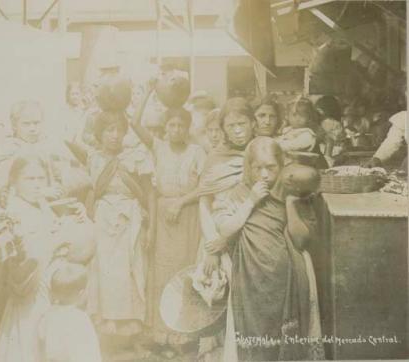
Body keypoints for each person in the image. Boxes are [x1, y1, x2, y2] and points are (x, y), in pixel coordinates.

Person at [227, 137, 324, 361]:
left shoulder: (296, 194)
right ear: (248, 168)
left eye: (271, 167)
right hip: (250, 277)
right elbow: (227, 230)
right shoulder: (240, 193)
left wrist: (290, 202)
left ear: (281, 167)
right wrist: (251, 200)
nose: (264, 175)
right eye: (257, 168)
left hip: (287, 277)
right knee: (255, 330)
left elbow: (300, 241)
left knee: (283, 332)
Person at [131, 79, 206, 358]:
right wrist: (150, 90)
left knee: (182, 275)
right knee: (160, 274)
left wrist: (182, 202)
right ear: (165, 128)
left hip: (187, 217)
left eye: (181, 126)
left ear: (188, 128)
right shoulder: (159, 147)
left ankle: (181, 335)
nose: (176, 130)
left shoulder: (197, 152)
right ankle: (160, 335)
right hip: (163, 219)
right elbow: (135, 123)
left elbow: (204, 187)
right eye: (171, 125)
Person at [0, 154, 93, 362]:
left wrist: (77, 217)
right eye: (30, 179)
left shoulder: (41, 205)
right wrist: (56, 242)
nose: (37, 185)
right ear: (14, 181)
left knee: (54, 339)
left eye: (41, 179)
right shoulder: (14, 212)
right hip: (32, 288)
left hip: (50, 285)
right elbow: (25, 257)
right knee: (32, 339)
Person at [84, 111, 154, 359]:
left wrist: (151, 225)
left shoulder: (135, 157)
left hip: (131, 218)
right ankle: (109, 335)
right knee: (106, 275)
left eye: (119, 130)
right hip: (103, 220)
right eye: (108, 130)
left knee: (132, 273)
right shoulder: (93, 159)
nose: (114, 135)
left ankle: (133, 334)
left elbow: (147, 192)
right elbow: (91, 192)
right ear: (99, 133)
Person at [194, 97, 255, 361]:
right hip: (216, 239)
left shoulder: (260, 153)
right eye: (231, 126)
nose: (238, 130)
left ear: (252, 123)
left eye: (242, 123)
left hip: (248, 236)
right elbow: (204, 202)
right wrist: (212, 245)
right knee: (218, 301)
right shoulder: (216, 157)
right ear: (223, 128)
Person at [38, 263, 101, 362]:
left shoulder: (48, 315)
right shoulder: (80, 318)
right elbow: (90, 351)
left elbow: (41, 339)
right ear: (81, 293)